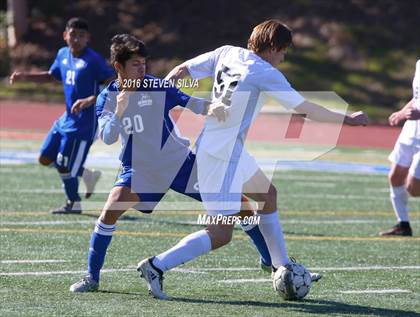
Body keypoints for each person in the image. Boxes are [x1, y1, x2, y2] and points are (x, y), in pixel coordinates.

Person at [138, 19, 368, 300]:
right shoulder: (264, 72)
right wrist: (348, 120)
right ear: (272, 47)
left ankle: (281, 266)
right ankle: (156, 265)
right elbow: (305, 109)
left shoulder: (227, 52)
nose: (283, 58)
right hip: (218, 156)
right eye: (283, 51)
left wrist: (161, 90)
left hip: (225, 149)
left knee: (267, 195)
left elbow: (183, 69)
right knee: (220, 234)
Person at [69, 34, 274, 292]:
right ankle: (92, 278)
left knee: (239, 203)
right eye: (135, 64)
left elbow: (189, 102)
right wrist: (120, 109)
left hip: (179, 164)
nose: (142, 69)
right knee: (108, 212)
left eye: (144, 63)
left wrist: (214, 108)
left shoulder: (155, 86)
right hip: (140, 170)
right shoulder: (107, 98)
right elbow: (108, 137)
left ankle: (272, 261)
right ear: (118, 67)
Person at [9, 17, 115, 213]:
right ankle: (86, 175)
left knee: (64, 165)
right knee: (45, 158)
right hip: (66, 118)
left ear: (88, 38)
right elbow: (52, 76)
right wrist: (26, 76)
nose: (76, 39)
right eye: (73, 34)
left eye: (81, 36)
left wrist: (91, 99)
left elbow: (114, 84)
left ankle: (73, 204)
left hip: (85, 122)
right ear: (65, 35)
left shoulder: (94, 60)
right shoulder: (63, 54)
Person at [380, 60, 420, 236]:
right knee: (395, 176)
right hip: (410, 131)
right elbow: (417, 98)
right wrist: (402, 112)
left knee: (414, 188)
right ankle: (403, 224)